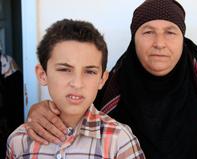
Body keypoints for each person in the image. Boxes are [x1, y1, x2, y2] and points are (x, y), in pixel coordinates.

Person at [26, 0, 197, 159]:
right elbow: (73, 114)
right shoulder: (108, 86)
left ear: (183, 38)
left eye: (170, 32)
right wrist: (42, 110)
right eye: (148, 32)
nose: (159, 43)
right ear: (134, 39)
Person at [6, 19, 145, 159]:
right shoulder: (19, 141)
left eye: (90, 72)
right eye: (65, 69)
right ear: (43, 75)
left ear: (102, 80)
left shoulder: (120, 141)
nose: (77, 83)